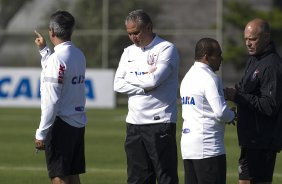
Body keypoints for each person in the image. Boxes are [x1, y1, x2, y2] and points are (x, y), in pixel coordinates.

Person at [114, 9, 179, 184]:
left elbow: (154, 80)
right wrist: (144, 85)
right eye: (129, 33)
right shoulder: (128, 52)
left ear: (149, 27)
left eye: (136, 32)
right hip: (134, 124)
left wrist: (132, 77)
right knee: (137, 179)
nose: (133, 37)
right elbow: (117, 84)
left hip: (160, 122)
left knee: (166, 177)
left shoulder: (166, 48)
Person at [224, 19, 282, 184]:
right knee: (243, 181)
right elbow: (242, 89)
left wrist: (237, 97)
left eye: (253, 39)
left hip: (263, 141)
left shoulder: (272, 65)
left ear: (266, 37)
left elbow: (269, 105)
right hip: (250, 139)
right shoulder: (254, 60)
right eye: (246, 39)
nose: (248, 43)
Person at [34, 10, 87, 184]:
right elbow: (57, 67)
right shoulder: (79, 54)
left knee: (58, 176)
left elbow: (51, 101)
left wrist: (41, 133)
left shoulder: (56, 60)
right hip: (77, 122)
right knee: (72, 173)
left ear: (52, 32)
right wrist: (44, 51)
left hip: (61, 124)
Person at [180, 37, 235, 184]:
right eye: (218, 55)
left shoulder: (187, 77)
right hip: (209, 147)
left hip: (188, 147)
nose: (221, 59)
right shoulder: (210, 78)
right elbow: (221, 112)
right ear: (206, 57)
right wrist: (232, 115)